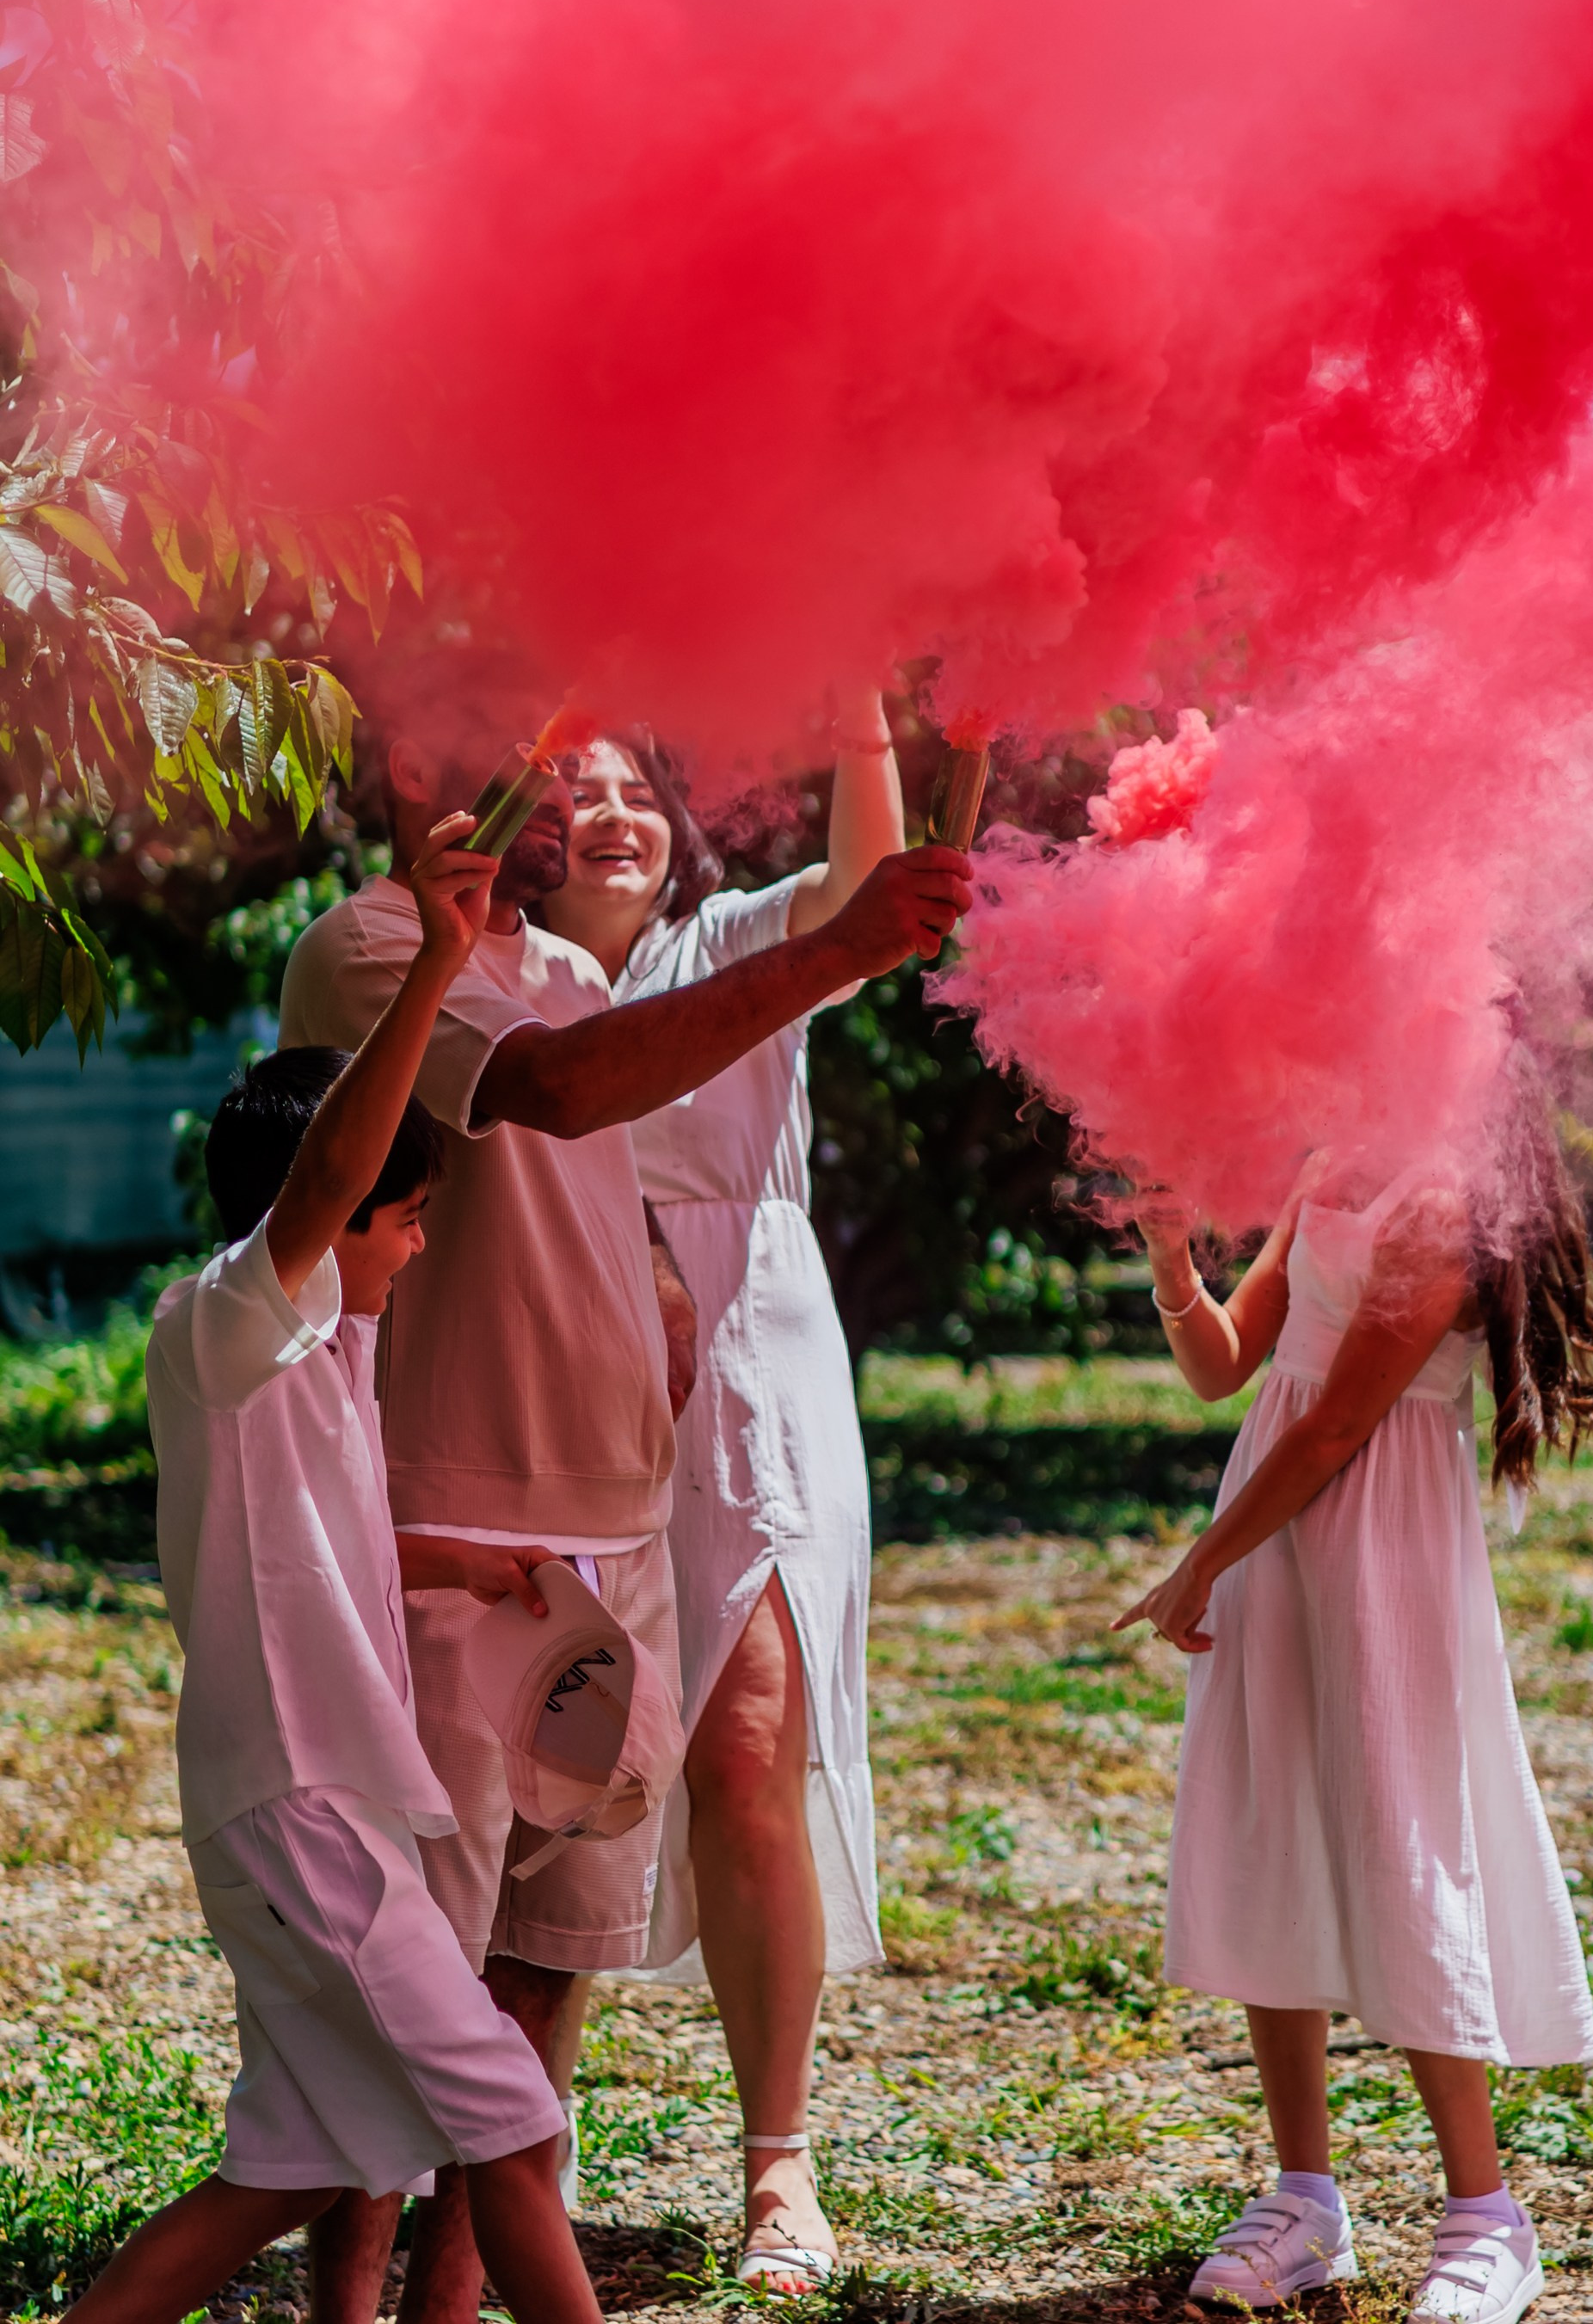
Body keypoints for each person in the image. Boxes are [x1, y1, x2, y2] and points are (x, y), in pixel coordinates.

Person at [279, 714, 969, 2322]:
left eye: (609, 777)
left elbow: (591, 1161)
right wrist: (843, 949)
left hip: (624, 1539)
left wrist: (659, 1309)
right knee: (417, 1982)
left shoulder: (589, 972)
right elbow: (562, 1099)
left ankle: (455, 2304)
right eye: (517, 762)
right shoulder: (370, 949)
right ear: (397, 783)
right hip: (460, 1526)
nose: (550, 797)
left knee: (540, 1970)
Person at [73, 818, 605, 2324]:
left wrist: (466, 1561)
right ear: (331, 1204)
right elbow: (325, 1189)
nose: (420, 1246)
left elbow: (328, 1532)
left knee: (280, 2176)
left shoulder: (329, 1343)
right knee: (513, 2121)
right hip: (303, 1810)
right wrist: (438, 964)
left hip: (311, 1807)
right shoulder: (227, 1318)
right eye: (413, 1217)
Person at [1120, 1100, 1593, 2321]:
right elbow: (1227, 1369)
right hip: (1273, 1516)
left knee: (1401, 1841)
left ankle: (1487, 2217)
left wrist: (1203, 1561)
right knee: (1272, 1824)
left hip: (1375, 1537)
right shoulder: (1326, 1163)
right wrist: (1171, 1266)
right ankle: (1307, 2198)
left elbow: (1345, 1421)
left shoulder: (1441, 1194)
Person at [537, 700, 901, 2289]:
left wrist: (863, 698)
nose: (615, 811)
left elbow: (874, 881)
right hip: (557, 1382)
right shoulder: (501, 981)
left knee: (749, 1753)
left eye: (638, 787)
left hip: (752, 1378)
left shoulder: (738, 939)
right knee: (554, 1777)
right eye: (577, 791)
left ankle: (778, 2169)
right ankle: (514, 2152)